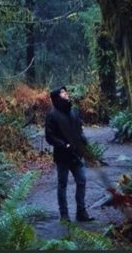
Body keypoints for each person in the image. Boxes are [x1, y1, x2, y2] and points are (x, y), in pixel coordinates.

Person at [44, 86, 94, 223]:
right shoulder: (52, 115)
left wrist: (83, 140)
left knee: (82, 180)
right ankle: (64, 216)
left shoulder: (74, 111)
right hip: (62, 156)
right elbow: (49, 136)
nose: (66, 94)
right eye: (62, 93)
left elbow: (79, 129)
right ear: (57, 97)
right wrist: (63, 144)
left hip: (77, 154)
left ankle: (81, 213)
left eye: (66, 92)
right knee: (62, 184)